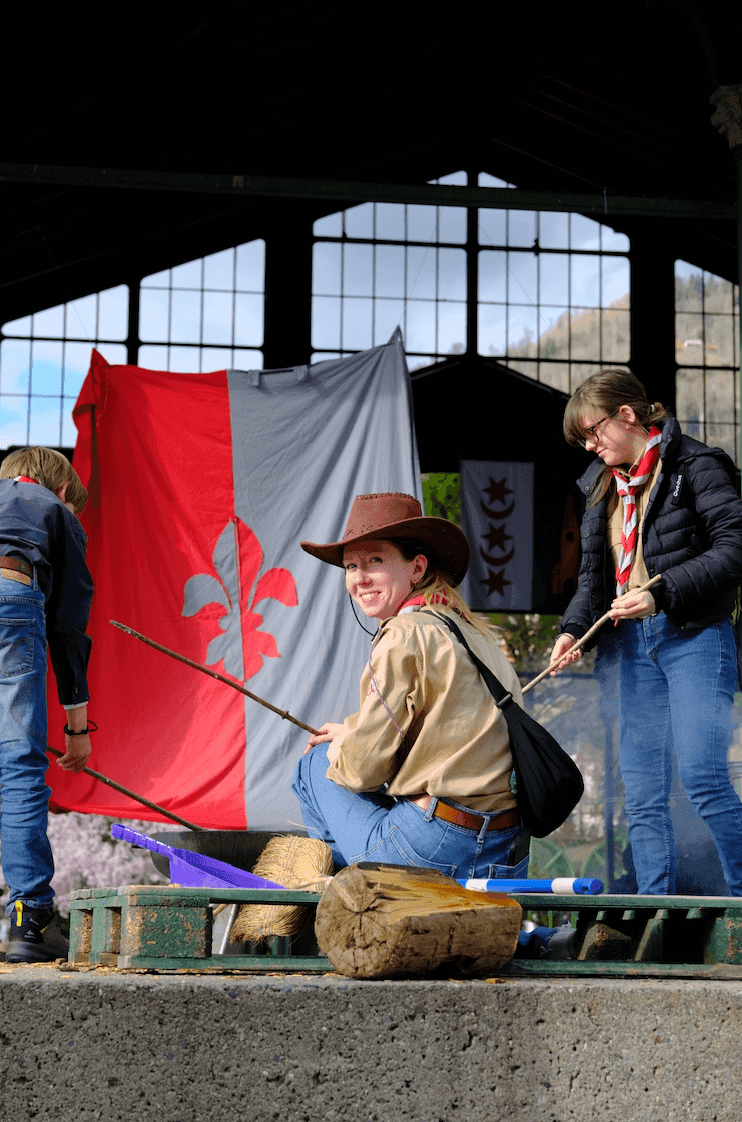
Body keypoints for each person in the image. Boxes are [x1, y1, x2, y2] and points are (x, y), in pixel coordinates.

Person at [293, 492, 570, 958]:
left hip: (440, 846)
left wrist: (344, 745)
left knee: (315, 764)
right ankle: (520, 936)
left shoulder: (404, 633)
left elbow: (362, 768)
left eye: (375, 561)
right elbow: (447, 731)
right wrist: (353, 731)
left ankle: (357, 906)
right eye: (350, 567)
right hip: (507, 851)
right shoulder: (475, 631)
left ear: (416, 568)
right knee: (342, 753)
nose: (359, 579)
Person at [549, 369, 742, 896]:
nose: (590, 446)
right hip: (630, 648)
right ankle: (654, 906)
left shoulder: (696, 466)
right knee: (643, 791)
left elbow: (733, 548)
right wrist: (571, 631)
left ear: (627, 416)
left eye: (593, 432)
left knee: (702, 777)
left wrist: (662, 593)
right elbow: (593, 583)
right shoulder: (599, 486)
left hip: (694, 635)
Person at [0, 447, 94, 962]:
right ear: (61, 490)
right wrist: (77, 730)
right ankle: (29, 921)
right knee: (17, 766)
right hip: (10, 596)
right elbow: (67, 627)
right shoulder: (52, 508)